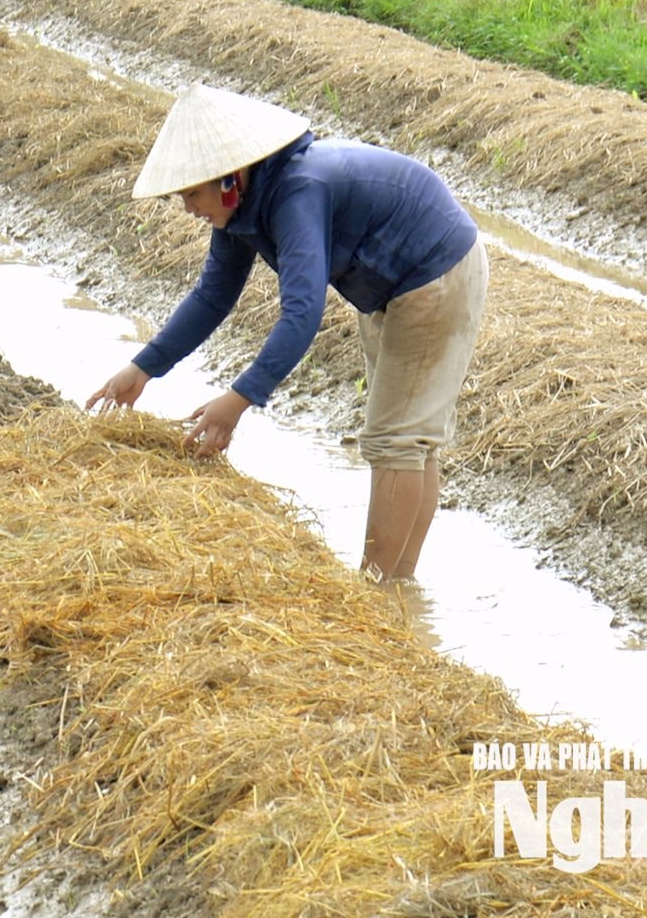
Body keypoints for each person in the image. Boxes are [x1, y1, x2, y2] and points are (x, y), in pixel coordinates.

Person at [85, 86, 489, 581]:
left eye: (192, 192)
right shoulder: (244, 207)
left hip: (434, 273)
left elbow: (302, 312)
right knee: (409, 438)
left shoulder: (299, 190)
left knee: (398, 440)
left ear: (230, 177)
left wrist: (237, 401)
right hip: (394, 283)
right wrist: (143, 367)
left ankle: (375, 591)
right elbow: (213, 296)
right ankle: (398, 586)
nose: (187, 206)